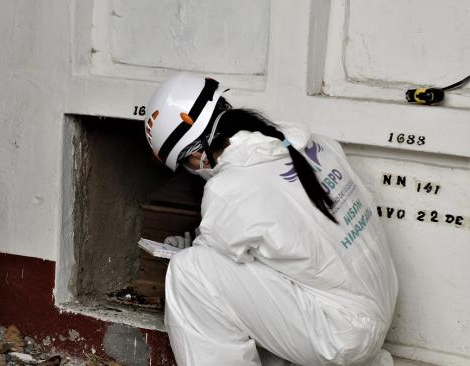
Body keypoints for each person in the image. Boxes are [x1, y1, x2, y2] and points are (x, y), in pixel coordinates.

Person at [143, 72, 398, 366]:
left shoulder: (229, 189)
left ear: (197, 152)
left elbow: (212, 275)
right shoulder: (316, 143)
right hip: (378, 307)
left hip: (340, 335)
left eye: (186, 162)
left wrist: (193, 251)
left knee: (187, 273)